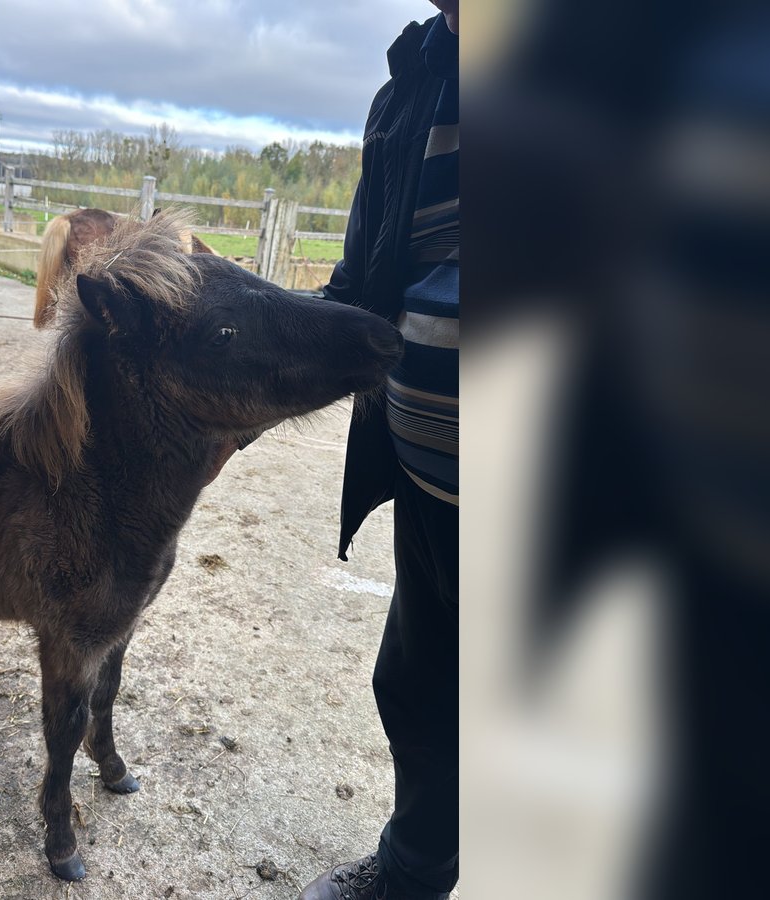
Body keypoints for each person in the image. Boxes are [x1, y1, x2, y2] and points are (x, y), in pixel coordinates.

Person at [298, 3, 458, 899]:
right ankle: (412, 873)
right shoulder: (410, 87)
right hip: (432, 481)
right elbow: (362, 285)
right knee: (419, 684)